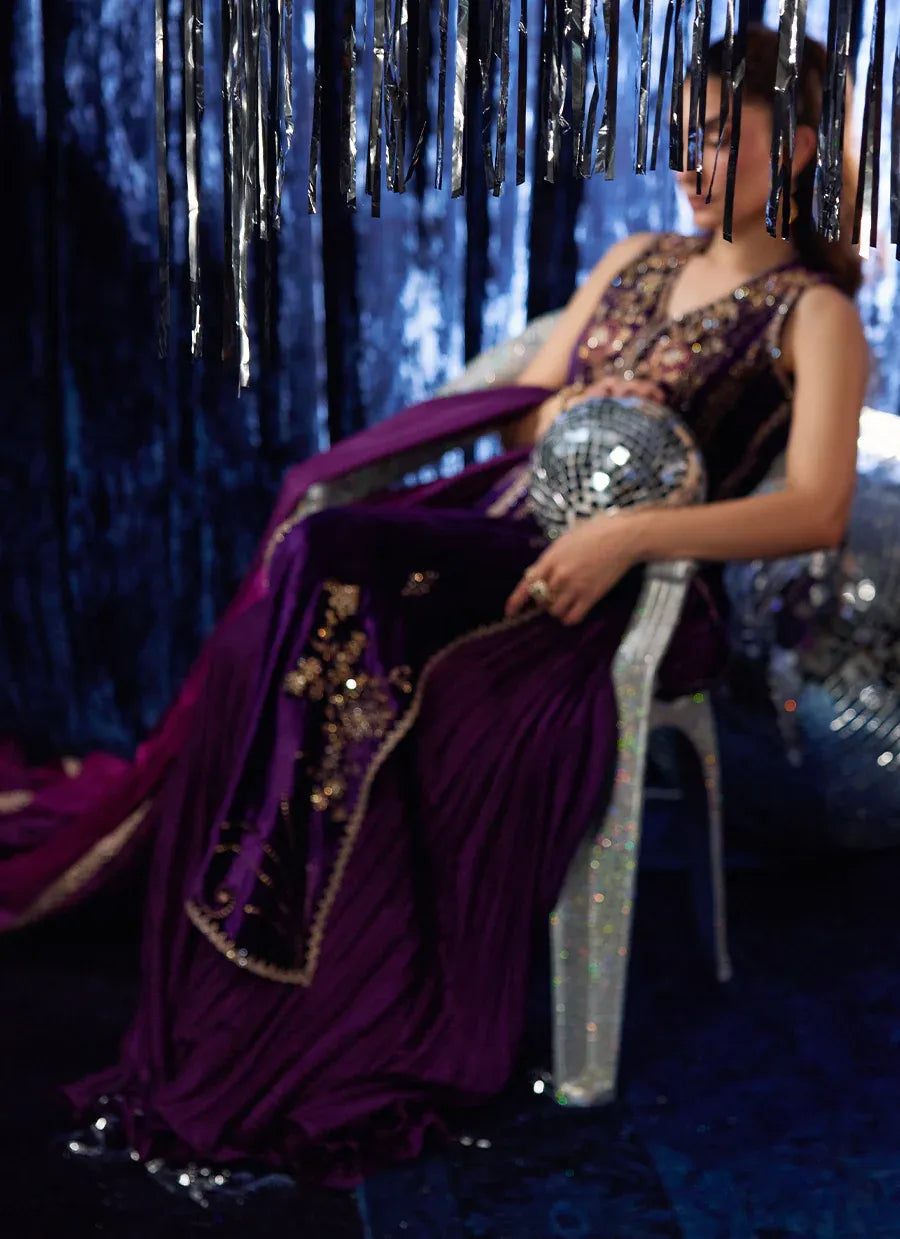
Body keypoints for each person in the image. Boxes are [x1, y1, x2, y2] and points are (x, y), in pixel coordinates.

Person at [1, 26, 869, 1186]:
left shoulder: (815, 315)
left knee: (352, 593)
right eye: (683, 133)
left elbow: (816, 509)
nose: (689, 160)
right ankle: (266, 959)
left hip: (629, 589)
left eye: (719, 137)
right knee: (322, 561)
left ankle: (320, 987)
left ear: (798, 146)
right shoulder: (637, 259)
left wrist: (630, 531)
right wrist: (574, 417)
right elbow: (527, 409)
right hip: (508, 530)